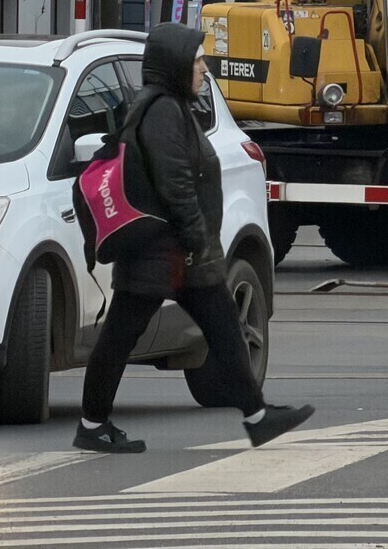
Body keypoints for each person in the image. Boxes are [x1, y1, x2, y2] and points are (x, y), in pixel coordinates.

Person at [73, 22, 314, 454]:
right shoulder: (163, 110)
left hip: (176, 252)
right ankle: (92, 424)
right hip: (166, 251)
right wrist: (197, 238)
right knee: (121, 336)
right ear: (174, 66)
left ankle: (257, 415)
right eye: (197, 60)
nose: (203, 68)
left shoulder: (171, 106)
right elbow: (175, 183)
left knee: (223, 327)